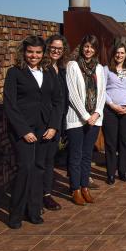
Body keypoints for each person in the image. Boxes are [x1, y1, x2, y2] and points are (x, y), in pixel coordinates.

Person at [4, 36, 63, 228]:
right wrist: (23, 131)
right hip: (23, 130)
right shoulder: (15, 73)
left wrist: (53, 125)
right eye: (30, 52)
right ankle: (16, 214)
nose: (34, 56)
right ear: (24, 52)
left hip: (45, 128)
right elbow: (10, 105)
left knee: (39, 169)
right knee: (25, 168)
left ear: (43, 53)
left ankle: (34, 210)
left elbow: (58, 101)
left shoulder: (49, 72)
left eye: (38, 52)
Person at [65, 34, 106, 206]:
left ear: (96, 50)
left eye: (92, 47)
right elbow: (72, 94)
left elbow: (102, 93)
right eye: (86, 46)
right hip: (76, 119)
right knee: (75, 155)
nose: (89, 50)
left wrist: (96, 113)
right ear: (82, 47)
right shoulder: (72, 66)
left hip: (94, 119)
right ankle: (75, 189)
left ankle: (84, 187)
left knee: (87, 155)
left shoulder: (99, 68)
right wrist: (85, 116)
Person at [41, 34, 70, 212]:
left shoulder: (61, 69)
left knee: (49, 159)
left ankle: (45, 192)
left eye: (60, 49)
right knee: (41, 161)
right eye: (53, 48)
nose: (56, 51)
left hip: (58, 121)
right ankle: (41, 196)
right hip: (45, 122)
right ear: (47, 48)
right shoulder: (43, 69)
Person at [102, 43, 126, 185]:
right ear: (113, 54)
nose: (119, 55)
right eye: (117, 52)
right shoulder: (106, 70)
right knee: (110, 143)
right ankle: (110, 173)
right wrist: (112, 105)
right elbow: (102, 90)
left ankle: (123, 172)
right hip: (110, 109)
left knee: (124, 142)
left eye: (122, 53)